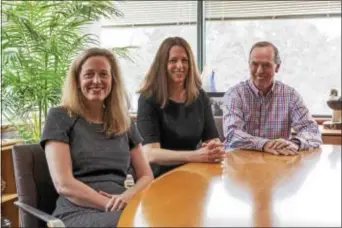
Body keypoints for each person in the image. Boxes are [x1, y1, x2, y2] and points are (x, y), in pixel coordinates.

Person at [40, 48, 153, 227]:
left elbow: (146, 175)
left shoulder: (124, 122)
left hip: (122, 205)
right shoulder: (60, 117)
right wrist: (110, 203)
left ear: (112, 80)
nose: (96, 81)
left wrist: (126, 198)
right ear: (77, 80)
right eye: (89, 74)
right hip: (78, 210)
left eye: (103, 74)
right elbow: (64, 184)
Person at [136, 36, 225, 178]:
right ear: (162, 64)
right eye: (173, 60)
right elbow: (150, 153)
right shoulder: (148, 99)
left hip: (193, 173)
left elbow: (212, 139)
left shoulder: (200, 96)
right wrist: (195, 156)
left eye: (184, 60)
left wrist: (215, 149)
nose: (180, 66)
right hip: (158, 178)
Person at [222, 41, 322, 156]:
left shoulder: (290, 96)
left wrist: (295, 143)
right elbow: (232, 134)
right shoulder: (235, 94)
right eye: (255, 64)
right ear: (249, 65)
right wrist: (264, 144)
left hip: (279, 162)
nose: (259, 71)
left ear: (277, 67)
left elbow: (312, 130)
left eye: (266, 65)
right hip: (241, 165)